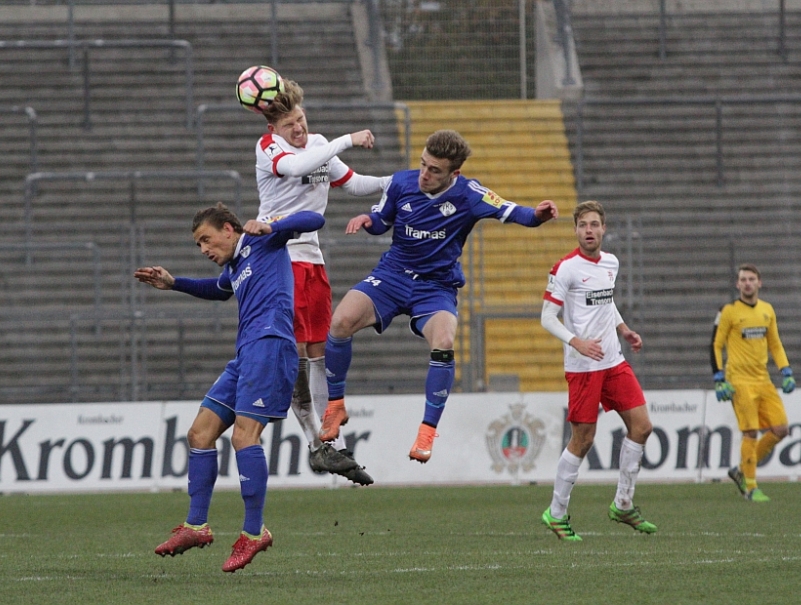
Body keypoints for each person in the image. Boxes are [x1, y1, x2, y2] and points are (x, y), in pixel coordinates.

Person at [318, 129, 558, 462]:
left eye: (434, 170)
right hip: (392, 276)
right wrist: (367, 220)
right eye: (423, 164)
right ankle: (335, 406)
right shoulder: (401, 182)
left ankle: (427, 431)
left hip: (435, 287)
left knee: (444, 341)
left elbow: (515, 212)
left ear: (453, 173)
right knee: (341, 321)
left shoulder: (470, 194)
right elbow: (382, 220)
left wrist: (538, 216)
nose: (424, 174)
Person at [136, 203, 324, 572]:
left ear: (227, 229)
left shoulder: (263, 241)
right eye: (198, 245)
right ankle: (196, 525)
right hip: (245, 354)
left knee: (243, 437)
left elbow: (315, 219)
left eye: (206, 240)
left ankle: (254, 532)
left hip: (271, 345)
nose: (204, 249)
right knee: (199, 434)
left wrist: (272, 226)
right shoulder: (235, 266)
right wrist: (174, 283)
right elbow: (219, 290)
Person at [255, 76, 390, 485]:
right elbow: (296, 167)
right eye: (289, 124)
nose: (298, 128)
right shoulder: (268, 148)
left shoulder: (318, 145)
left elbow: (355, 184)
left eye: (301, 119)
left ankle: (328, 440)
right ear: (274, 129)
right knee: (294, 351)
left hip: (312, 259)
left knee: (319, 351)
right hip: (279, 256)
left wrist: (398, 183)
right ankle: (317, 442)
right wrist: (348, 139)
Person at [539, 200, 657, 541]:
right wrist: (576, 342)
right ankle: (556, 513)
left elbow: (606, 301)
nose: (588, 230)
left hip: (613, 361)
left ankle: (623, 504)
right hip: (584, 367)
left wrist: (624, 329)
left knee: (642, 427)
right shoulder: (565, 269)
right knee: (583, 439)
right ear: (575, 230)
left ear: (603, 229)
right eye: (583, 225)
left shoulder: (611, 262)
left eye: (594, 224)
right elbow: (547, 317)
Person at [711, 263, 795, 503]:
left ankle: (741, 469)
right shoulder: (729, 311)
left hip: (763, 379)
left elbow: (775, 344)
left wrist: (786, 370)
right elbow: (716, 345)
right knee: (750, 432)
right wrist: (719, 377)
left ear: (759, 283)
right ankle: (750, 487)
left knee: (781, 429)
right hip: (739, 381)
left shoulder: (767, 310)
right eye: (743, 280)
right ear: (737, 284)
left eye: (751, 279)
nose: (747, 283)